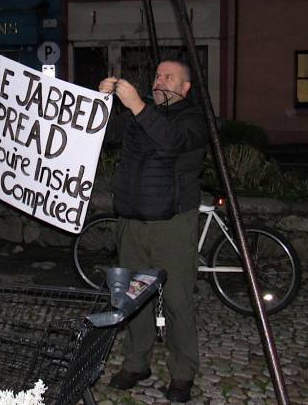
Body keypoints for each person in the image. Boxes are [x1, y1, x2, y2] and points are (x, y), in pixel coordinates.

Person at [97, 59, 208, 403]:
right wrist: (100, 101)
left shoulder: (194, 119)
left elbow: (171, 141)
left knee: (176, 301)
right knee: (133, 298)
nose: (160, 81)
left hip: (172, 225)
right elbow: (105, 132)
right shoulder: (138, 114)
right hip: (132, 222)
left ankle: (183, 372)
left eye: (168, 76)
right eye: (157, 74)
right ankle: (136, 362)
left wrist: (137, 105)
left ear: (185, 87)